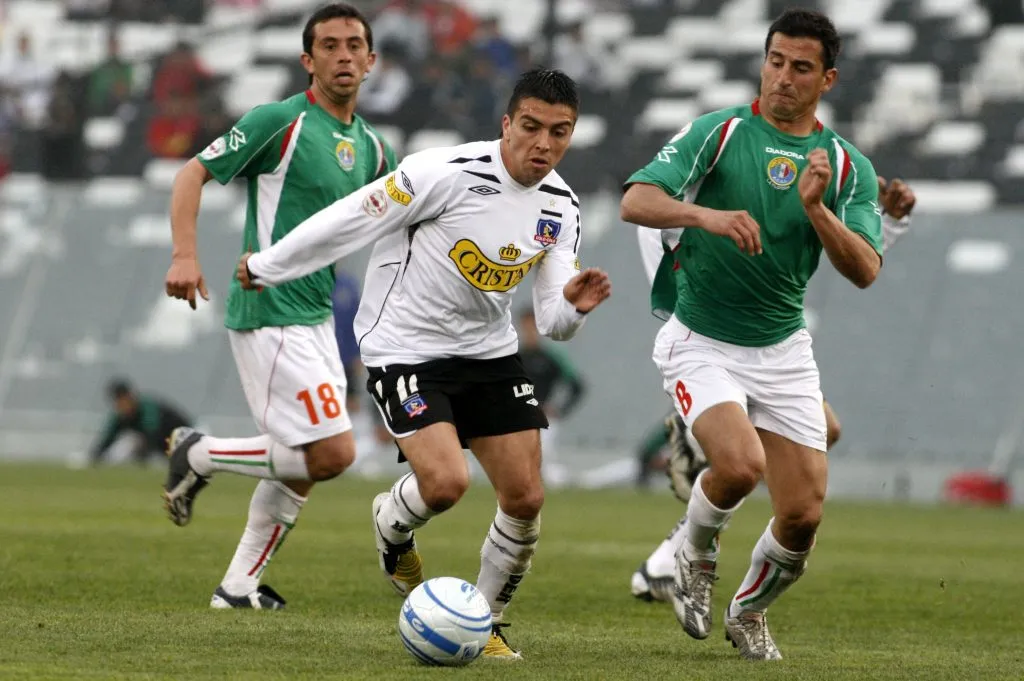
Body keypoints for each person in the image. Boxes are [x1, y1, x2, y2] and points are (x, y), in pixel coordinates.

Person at [235, 68, 611, 658]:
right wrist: (269, 264)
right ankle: (391, 523)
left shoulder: (560, 206)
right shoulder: (442, 173)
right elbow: (352, 218)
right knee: (445, 485)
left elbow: (556, 323)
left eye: (559, 133)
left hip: (489, 353)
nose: (543, 144)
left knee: (526, 498)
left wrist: (572, 306)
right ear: (507, 123)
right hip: (404, 348)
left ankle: (485, 624)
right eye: (532, 127)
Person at [619, 8, 883, 660]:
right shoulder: (721, 131)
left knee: (803, 514)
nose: (783, 78)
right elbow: (636, 199)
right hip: (700, 337)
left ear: (828, 78)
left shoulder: (846, 167)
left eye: (800, 68)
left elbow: (866, 270)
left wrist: (816, 210)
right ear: (762, 61)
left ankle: (749, 609)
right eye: (775, 61)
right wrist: (705, 215)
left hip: (783, 349)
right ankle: (692, 558)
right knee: (738, 465)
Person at [161, 3, 397, 610]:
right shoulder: (279, 122)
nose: (343, 56)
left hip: (318, 316)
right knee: (334, 452)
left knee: (300, 463)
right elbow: (192, 174)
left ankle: (237, 588)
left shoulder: (373, 149)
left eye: (354, 46)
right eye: (329, 46)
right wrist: (184, 255)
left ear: (371, 61)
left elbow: (409, 220)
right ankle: (200, 453)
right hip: (268, 310)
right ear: (307, 59)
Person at [630, 176, 917, 603]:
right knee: (742, 462)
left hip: (761, 328)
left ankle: (666, 558)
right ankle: (694, 461)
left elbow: (851, 251)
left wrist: (887, 220)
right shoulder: (723, 142)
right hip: (703, 302)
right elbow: (646, 199)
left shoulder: (803, 160)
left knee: (816, 436)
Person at [516, 307, 585, 485]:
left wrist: (560, 410)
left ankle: (562, 486)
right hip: (517, 418)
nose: (529, 331)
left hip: (543, 418)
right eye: (526, 326)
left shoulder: (549, 358)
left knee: (542, 461)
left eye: (533, 326)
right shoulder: (513, 358)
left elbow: (577, 386)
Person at [89, 378, 193, 466]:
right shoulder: (120, 417)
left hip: (183, 437)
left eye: (124, 399)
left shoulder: (147, 407)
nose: (122, 404)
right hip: (163, 445)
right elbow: (108, 438)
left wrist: (145, 456)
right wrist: (95, 456)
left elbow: (152, 432)